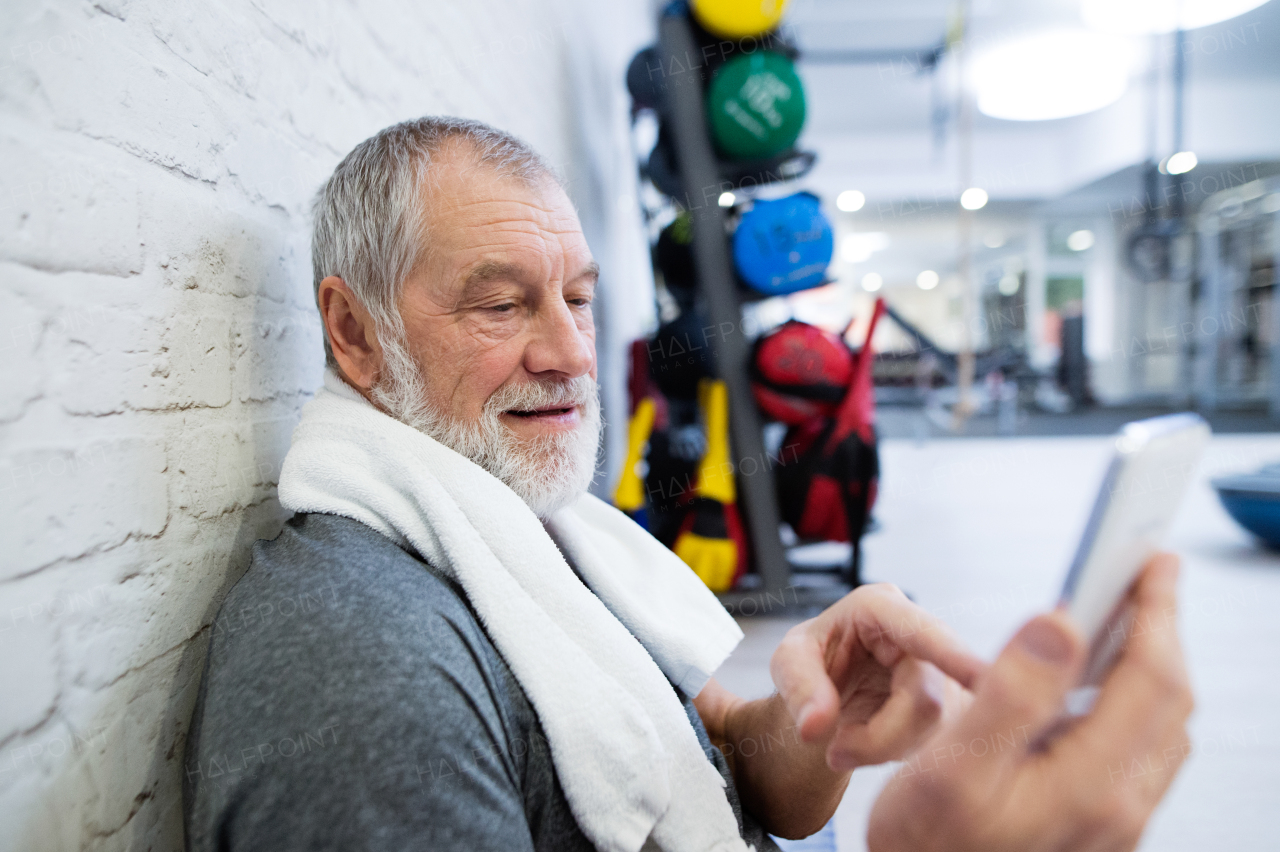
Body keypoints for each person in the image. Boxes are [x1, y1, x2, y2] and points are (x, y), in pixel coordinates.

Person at [183, 117, 1193, 852]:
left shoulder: (542, 533)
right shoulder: (361, 669)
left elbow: (722, 763)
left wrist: (815, 722)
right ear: (355, 333)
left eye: (578, 299)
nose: (570, 354)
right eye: (500, 305)